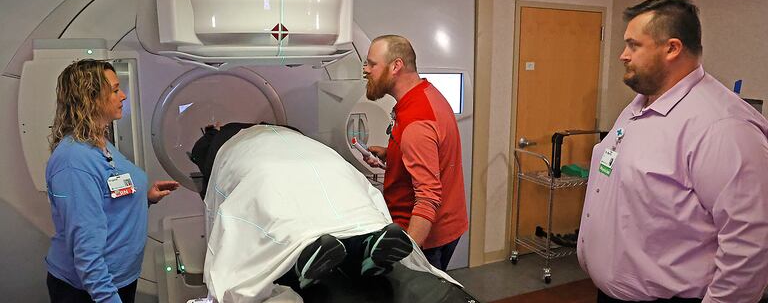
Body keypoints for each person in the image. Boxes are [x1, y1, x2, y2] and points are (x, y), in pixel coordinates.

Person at [578, 0, 768, 302]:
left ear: (672, 48)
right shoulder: (641, 105)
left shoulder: (722, 127)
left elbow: (759, 235)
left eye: (633, 45)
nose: (623, 55)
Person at [195, 123, 456, 302]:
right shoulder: (293, 134)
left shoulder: (222, 143)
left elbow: (217, 195)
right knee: (343, 208)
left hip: (266, 170)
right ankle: (366, 241)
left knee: (280, 220)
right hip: (326, 162)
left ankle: (303, 258)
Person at [45, 59, 179, 303]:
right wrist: (107, 297)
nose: (123, 96)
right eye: (115, 90)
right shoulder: (74, 161)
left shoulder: (99, 142)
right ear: (91, 98)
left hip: (118, 278)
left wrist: (144, 198)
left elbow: (107, 197)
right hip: (91, 289)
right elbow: (86, 249)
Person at [362, 35, 468, 271]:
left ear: (396, 66)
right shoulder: (426, 93)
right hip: (447, 221)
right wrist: (391, 155)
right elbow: (433, 155)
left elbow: (428, 197)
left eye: (372, 63)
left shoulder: (416, 122)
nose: (366, 70)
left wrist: (408, 256)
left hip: (424, 236)